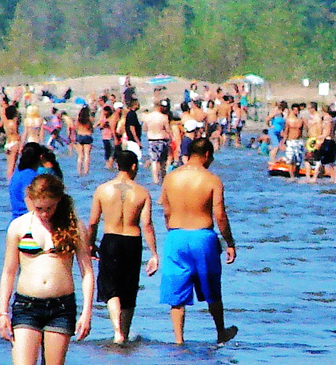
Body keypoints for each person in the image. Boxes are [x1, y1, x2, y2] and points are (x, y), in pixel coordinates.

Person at [0, 173, 95, 365]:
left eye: (49, 207)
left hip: (61, 308)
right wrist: (3, 312)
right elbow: (9, 272)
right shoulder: (19, 227)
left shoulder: (73, 226)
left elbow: (87, 272)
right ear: (31, 201)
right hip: (26, 306)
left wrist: (87, 313)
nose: (44, 213)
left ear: (58, 200)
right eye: (39, 208)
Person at [159, 139, 238, 344]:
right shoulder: (212, 180)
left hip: (175, 236)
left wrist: (173, 230)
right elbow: (219, 215)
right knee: (212, 289)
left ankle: (179, 339)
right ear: (206, 155)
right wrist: (229, 242)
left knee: (177, 295)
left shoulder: (170, 177)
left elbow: (166, 211)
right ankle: (220, 332)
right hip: (203, 237)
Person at [88, 150, 158, 344]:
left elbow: (93, 222)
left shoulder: (102, 190)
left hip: (110, 240)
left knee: (111, 288)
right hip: (132, 241)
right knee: (128, 288)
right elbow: (147, 225)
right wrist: (154, 254)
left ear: (117, 165)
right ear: (134, 167)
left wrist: (90, 244)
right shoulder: (142, 192)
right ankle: (124, 333)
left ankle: (117, 332)